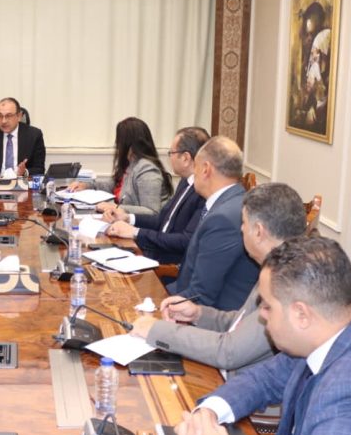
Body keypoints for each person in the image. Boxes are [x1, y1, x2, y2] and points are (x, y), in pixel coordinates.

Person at [174, 237, 351, 435]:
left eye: (267, 306)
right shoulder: (329, 333)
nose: (262, 315)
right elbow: (264, 379)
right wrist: (208, 413)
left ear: (302, 315)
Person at [130, 183, 306, 372]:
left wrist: (156, 330)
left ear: (258, 231)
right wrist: (198, 314)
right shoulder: (279, 263)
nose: (241, 229)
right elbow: (241, 322)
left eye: (243, 223)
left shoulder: (288, 281)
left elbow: (229, 352)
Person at [166, 136, 259, 311]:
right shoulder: (232, 201)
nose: (193, 174)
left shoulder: (223, 219)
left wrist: (156, 303)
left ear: (206, 169)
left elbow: (200, 295)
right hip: (188, 297)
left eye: (195, 167)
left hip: (210, 315)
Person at [104, 127, 209, 264]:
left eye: (171, 153)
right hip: (152, 250)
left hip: (166, 263)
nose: (169, 157)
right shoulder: (185, 182)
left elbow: (184, 241)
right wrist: (128, 218)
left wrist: (135, 232)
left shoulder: (203, 192)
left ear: (185, 158)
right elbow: (162, 220)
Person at [69, 117, 172, 216]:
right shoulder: (131, 163)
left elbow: (152, 212)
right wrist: (86, 185)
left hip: (138, 225)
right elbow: (112, 185)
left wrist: (115, 207)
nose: (117, 145)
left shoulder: (147, 170)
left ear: (128, 143)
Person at [0, 97, 46, 177]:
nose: (3, 121)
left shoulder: (34, 135)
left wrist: (24, 172)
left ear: (19, 116)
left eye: (8, 116)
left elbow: (39, 169)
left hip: (21, 182)